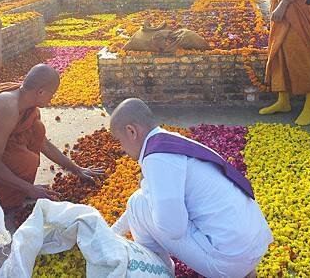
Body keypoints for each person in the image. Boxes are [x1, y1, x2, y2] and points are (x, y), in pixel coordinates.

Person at [110, 98, 273, 278]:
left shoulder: (157, 158)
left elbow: (172, 229)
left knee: (137, 202)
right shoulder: (171, 141)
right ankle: (246, 272)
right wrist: (112, 233)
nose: (122, 149)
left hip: (229, 262)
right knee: (143, 201)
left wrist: (147, 193)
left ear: (131, 131)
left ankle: (159, 272)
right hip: (256, 243)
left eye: (119, 141)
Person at [0, 64, 103, 208]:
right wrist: (30, 189)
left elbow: (43, 143)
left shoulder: (24, 98)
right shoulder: (8, 107)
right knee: (25, 162)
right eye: (53, 94)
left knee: (36, 129)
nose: (53, 99)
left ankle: (15, 188)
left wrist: (77, 169)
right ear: (41, 92)